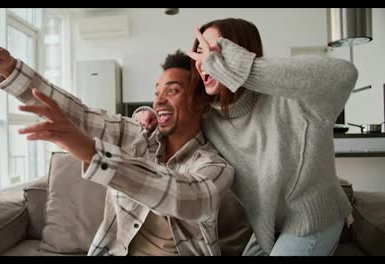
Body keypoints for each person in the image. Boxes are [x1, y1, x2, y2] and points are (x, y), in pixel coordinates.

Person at [0, 48, 235, 256]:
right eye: (157, 92)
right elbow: (79, 114)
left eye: (173, 90)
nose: (159, 100)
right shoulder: (138, 137)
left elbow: (187, 195)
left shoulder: (215, 166)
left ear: (200, 101)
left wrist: (93, 153)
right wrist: (11, 68)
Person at [133, 18, 359, 256]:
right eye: (199, 53)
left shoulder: (293, 100)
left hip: (314, 219)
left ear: (239, 54)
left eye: (213, 51)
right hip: (268, 229)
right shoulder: (210, 116)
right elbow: (174, 117)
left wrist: (241, 71)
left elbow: (345, 74)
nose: (204, 61)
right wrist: (145, 114)